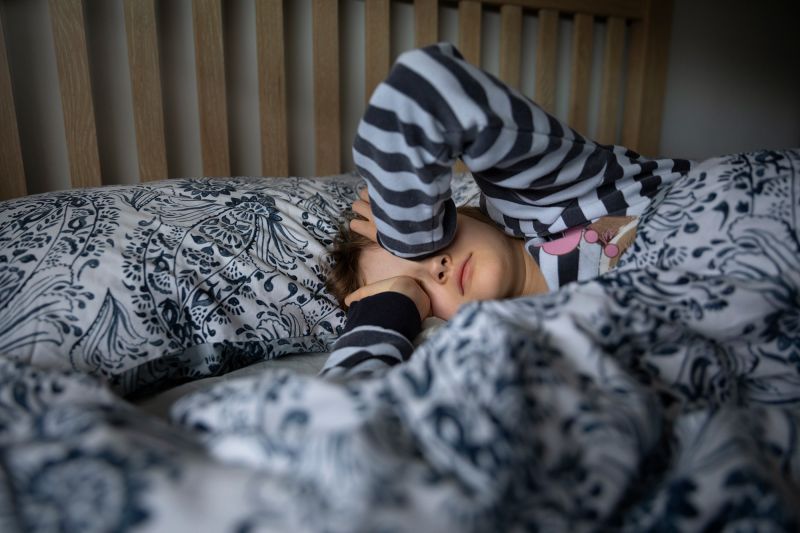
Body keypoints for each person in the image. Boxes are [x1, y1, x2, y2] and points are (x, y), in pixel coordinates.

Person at [320, 42, 691, 379]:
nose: (436, 268)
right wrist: (386, 311)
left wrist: (408, 232)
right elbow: (348, 413)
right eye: (419, 290)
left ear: (457, 212)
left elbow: (422, 90)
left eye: (426, 244)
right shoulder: (515, 354)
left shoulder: (537, 202)